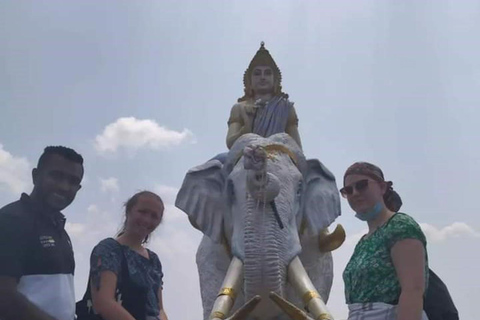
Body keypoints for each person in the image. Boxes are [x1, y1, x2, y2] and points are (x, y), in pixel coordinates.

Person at [0, 146, 84, 320]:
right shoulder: (11, 220)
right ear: (35, 176)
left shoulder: (60, 229)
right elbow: (4, 297)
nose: (64, 186)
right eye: (56, 176)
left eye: (73, 181)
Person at [341, 162, 429, 320]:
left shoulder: (400, 226)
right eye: (348, 190)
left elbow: (413, 290)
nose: (354, 193)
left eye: (361, 185)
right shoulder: (363, 242)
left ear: (382, 187)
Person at [88, 191, 168, 320]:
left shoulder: (154, 260)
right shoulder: (109, 250)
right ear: (128, 211)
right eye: (142, 212)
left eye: (154, 216)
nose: (147, 219)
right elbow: (104, 303)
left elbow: (159, 309)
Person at [225, 41, 302, 150]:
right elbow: (230, 143)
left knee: (315, 167)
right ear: (249, 81)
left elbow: (296, 146)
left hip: (280, 153)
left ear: (275, 79)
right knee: (213, 165)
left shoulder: (285, 107)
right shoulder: (239, 108)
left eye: (267, 73)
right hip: (245, 152)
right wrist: (246, 129)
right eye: (257, 73)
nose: (262, 77)